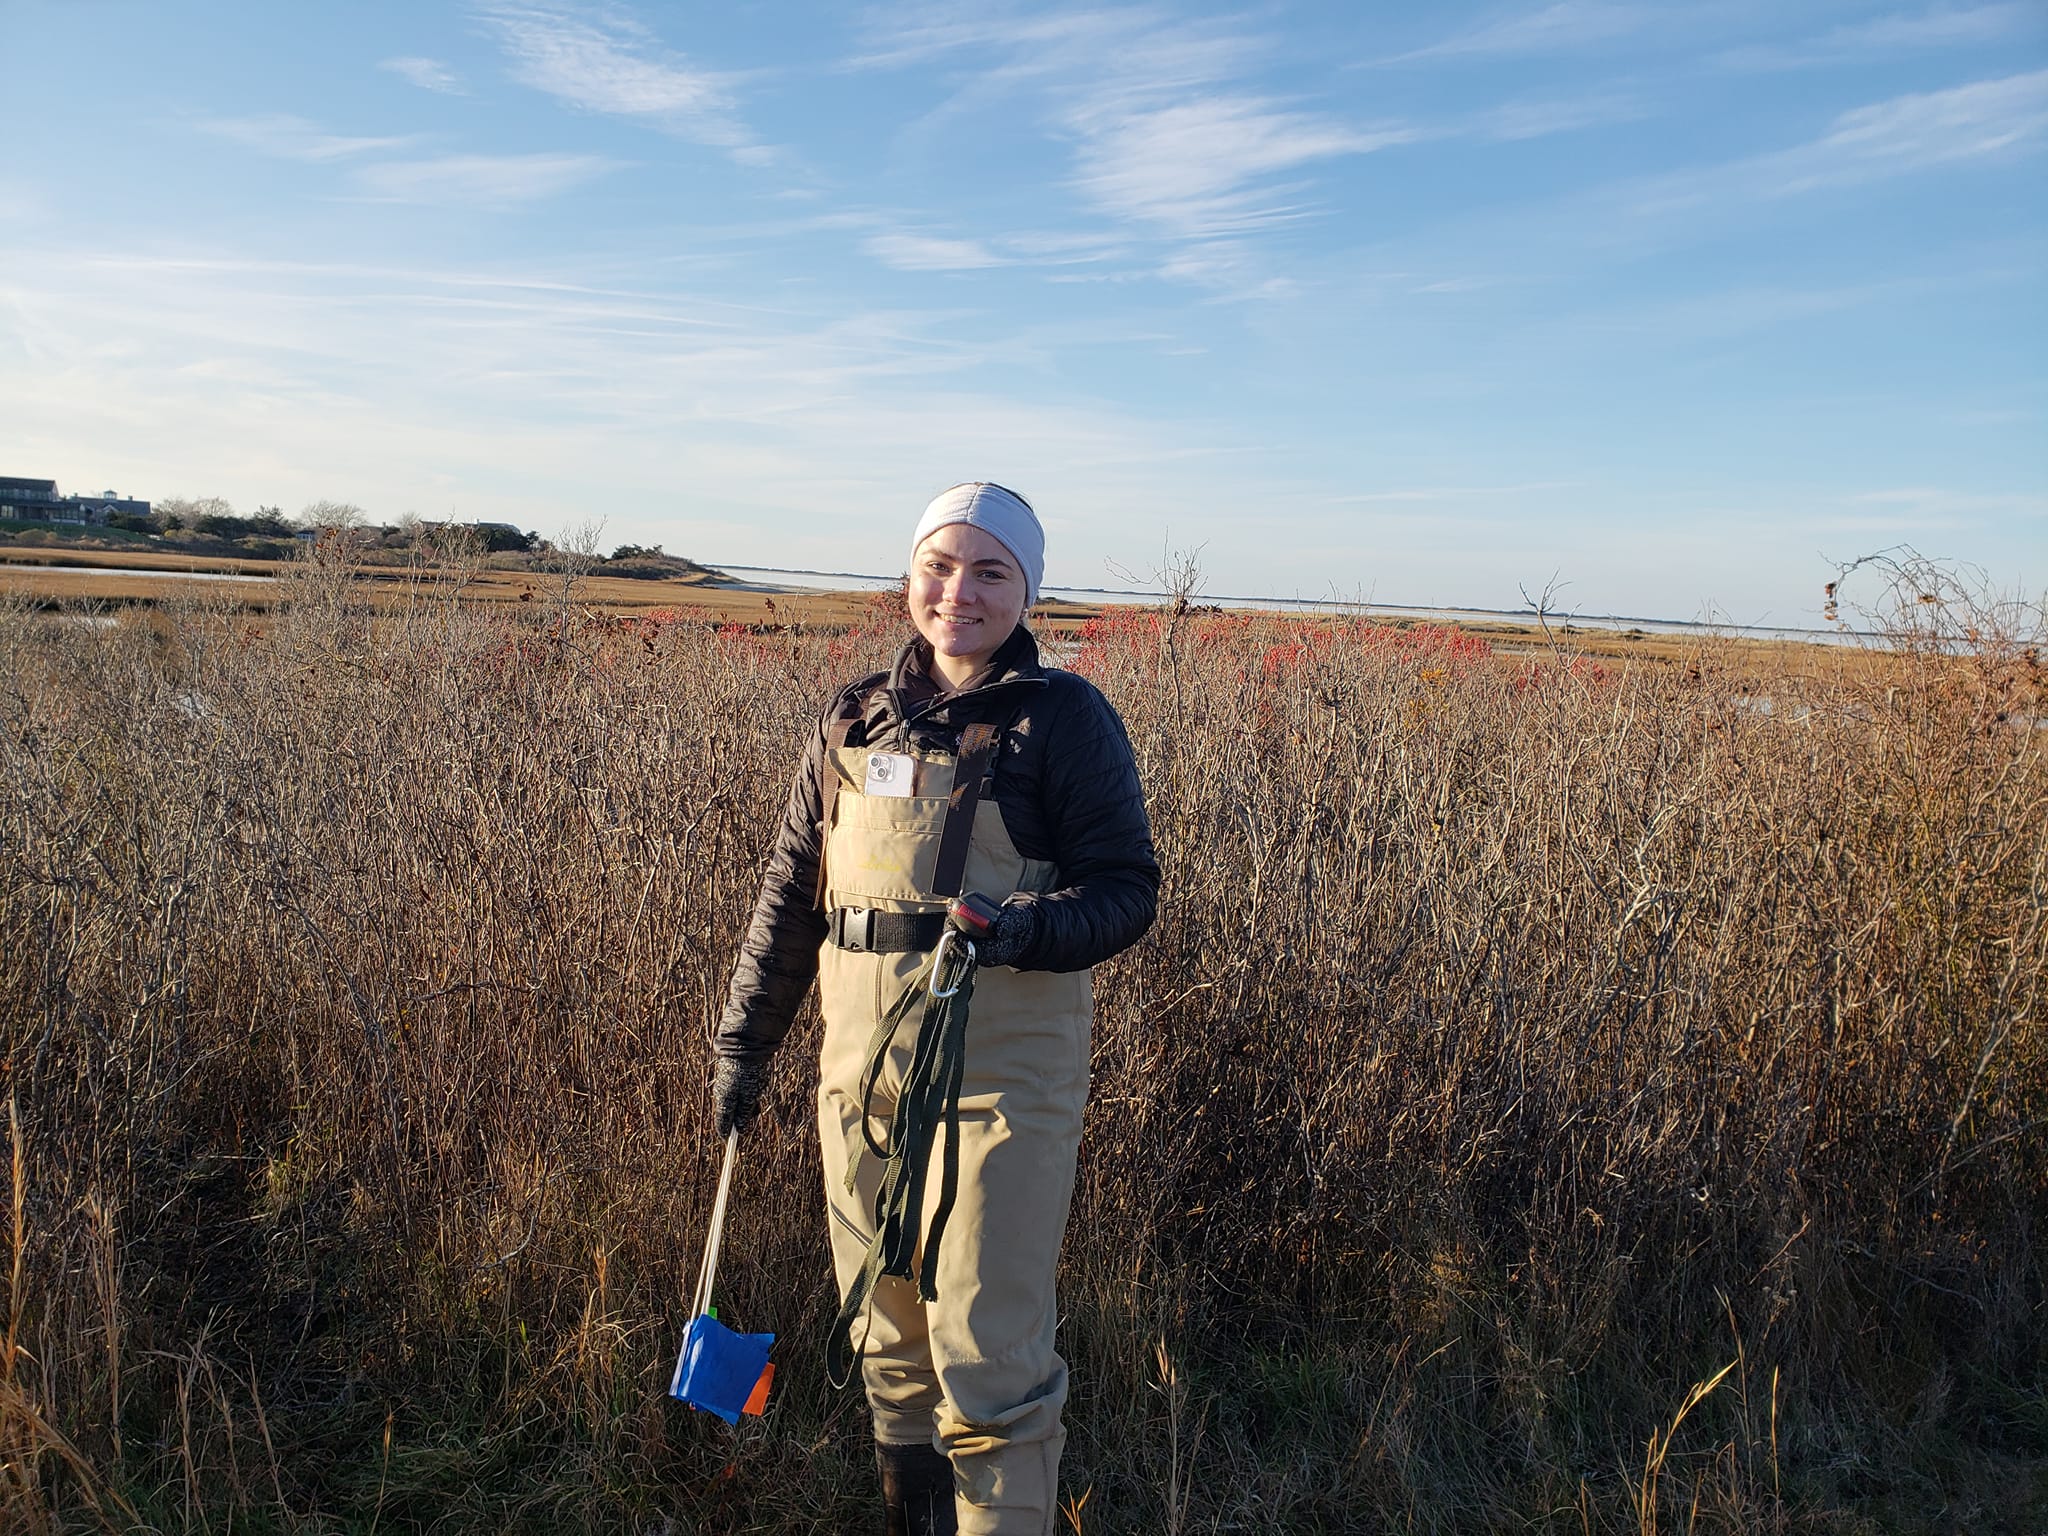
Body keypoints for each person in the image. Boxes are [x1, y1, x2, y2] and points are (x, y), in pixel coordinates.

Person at [711, 483, 1159, 1535]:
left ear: (1025, 590)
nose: (958, 591)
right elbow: (789, 900)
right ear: (909, 577)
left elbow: (1125, 889)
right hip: (857, 1077)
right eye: (938, 565)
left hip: (1001, 1086)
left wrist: (1020, 928)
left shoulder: (1063, 720)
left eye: (990, 570)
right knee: (884, 1329)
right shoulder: (851, 719)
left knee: (986, 1349)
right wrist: (744, 1044)